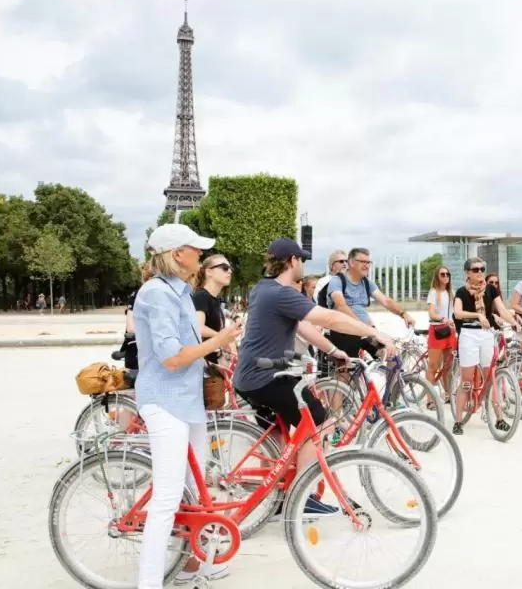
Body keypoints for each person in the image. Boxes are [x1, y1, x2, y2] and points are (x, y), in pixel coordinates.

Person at [233, 238, 396, 509]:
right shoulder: (282, 294)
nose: (303, 265)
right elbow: (330, 318)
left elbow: (301, 326)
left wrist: (333, 349)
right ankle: (302, 498)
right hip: (267, 378)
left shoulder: (263, 289)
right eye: (302, 260)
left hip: (249, 376)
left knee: (278, 436)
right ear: (292, 261)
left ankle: (274, 497)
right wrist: (373, 332)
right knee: (320, 422)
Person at [132, 224, 243, 588]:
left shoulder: (178, 291)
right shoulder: (157, 295)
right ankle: (149, 582)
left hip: (185, 398)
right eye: (195, 249)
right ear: (178, 253)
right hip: (165, 399)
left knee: (194, 491)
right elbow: (170, 357)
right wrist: (219, 341)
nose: (200, 254)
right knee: (167, 497)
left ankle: (193, 564)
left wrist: (215, 355)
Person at [451, 257, 520, 435]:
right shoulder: (461, 291)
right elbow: (457, 313)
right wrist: (477, 316)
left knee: (490, 377)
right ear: (467, 273)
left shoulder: (491, 289)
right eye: (475, 270)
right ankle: (458, 420)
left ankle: (499, 418)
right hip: (469, 334)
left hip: (487, 335)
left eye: (482, 269)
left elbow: (502, 309)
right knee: (467, 380)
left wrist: (514, 322)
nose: (480, 272)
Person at [193, 254, 235, 366]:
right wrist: (222, 337)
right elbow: (199, 327)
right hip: (202, 368)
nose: (230, 271)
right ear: (208, 272)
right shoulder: (201, 296)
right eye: (224, 268)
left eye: (231, 268)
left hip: (212, 365)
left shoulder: (214, 299)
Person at [425, 266, 457, 409]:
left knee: (448, 366)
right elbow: (431, 313)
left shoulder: (451, 293)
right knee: (433, 366)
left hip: (449, 331)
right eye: (442, 274)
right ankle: (429, 399)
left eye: (447, 274)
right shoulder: (434, 292)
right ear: (437, 277)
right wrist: (443, 318)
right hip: (437, 330)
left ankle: (448, 394)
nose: (445, 276)